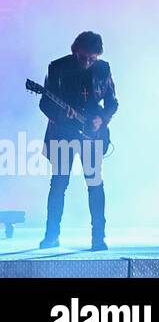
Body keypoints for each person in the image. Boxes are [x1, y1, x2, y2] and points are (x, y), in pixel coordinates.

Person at [39, 30, 118, 250]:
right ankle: (51, 235)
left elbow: (112, 103)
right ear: (75, 51)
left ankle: (98, 237)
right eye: (83, 58)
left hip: (92, 136)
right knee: (58, 184)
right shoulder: (58, 67)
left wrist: (101, 119)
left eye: (92, 59)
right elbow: (45, 103)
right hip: (63, 133)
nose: (87, 62)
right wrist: (62, 115)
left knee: (95, 184)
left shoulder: (103, 69)